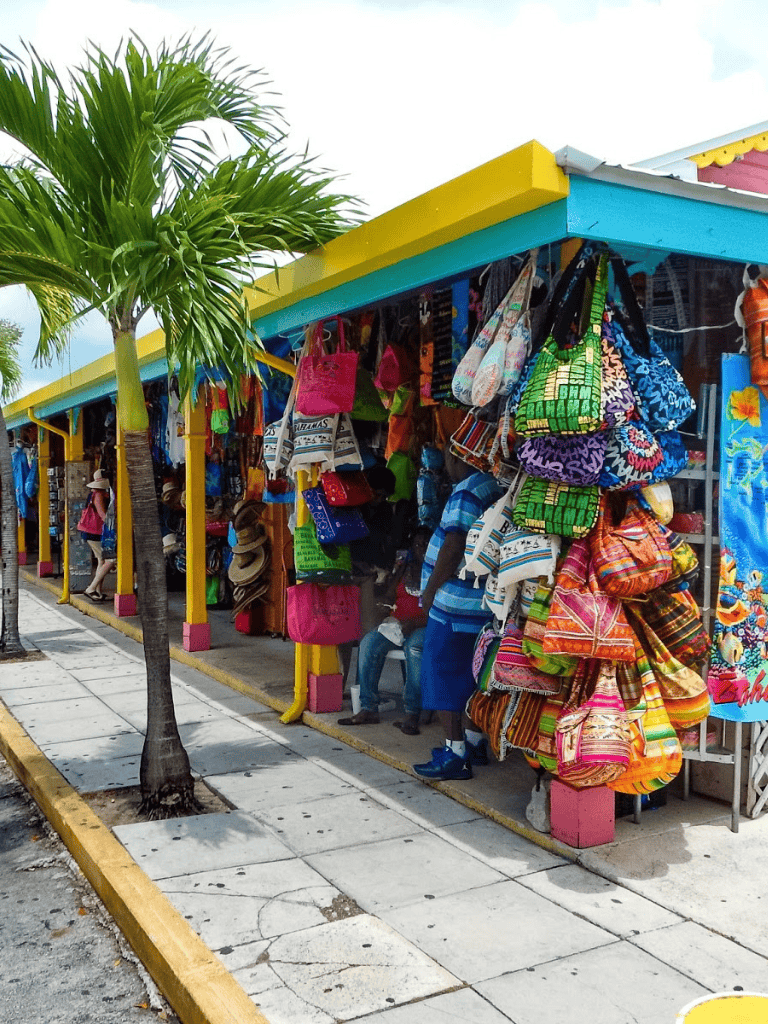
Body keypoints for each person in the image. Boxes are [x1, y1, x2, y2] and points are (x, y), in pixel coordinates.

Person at [412, 448, 502, 781]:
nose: (447, 465)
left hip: (454, 603)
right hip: (482, 603)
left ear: (463, 458)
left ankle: (454, 752)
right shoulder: (495, 485)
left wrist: (431, 589)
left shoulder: (468, 491)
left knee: (441, 676)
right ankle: (475, 742)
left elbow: (453, 545)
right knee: (474, 677)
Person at [338, 529, 430, 735]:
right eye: (417, 544)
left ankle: (412, 712)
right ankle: (368, 708)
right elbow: (389, 595)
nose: (421, 548)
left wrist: (413, 623)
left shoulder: (437, 571)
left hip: (424, 625)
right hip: (399, 624)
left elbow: (437, 610)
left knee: (414, 648)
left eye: (426, 544)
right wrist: (387, 603)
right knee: (369, 643)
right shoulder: (405, 568)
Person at [80, 469, 116, 601]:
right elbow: (102, 515)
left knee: (102, 560)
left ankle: (98, 592)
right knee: (110, 560)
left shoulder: (93, 494)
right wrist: (114, 527)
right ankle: (91, 588)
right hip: (94, 531)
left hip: (89, 531)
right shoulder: (99, 496)